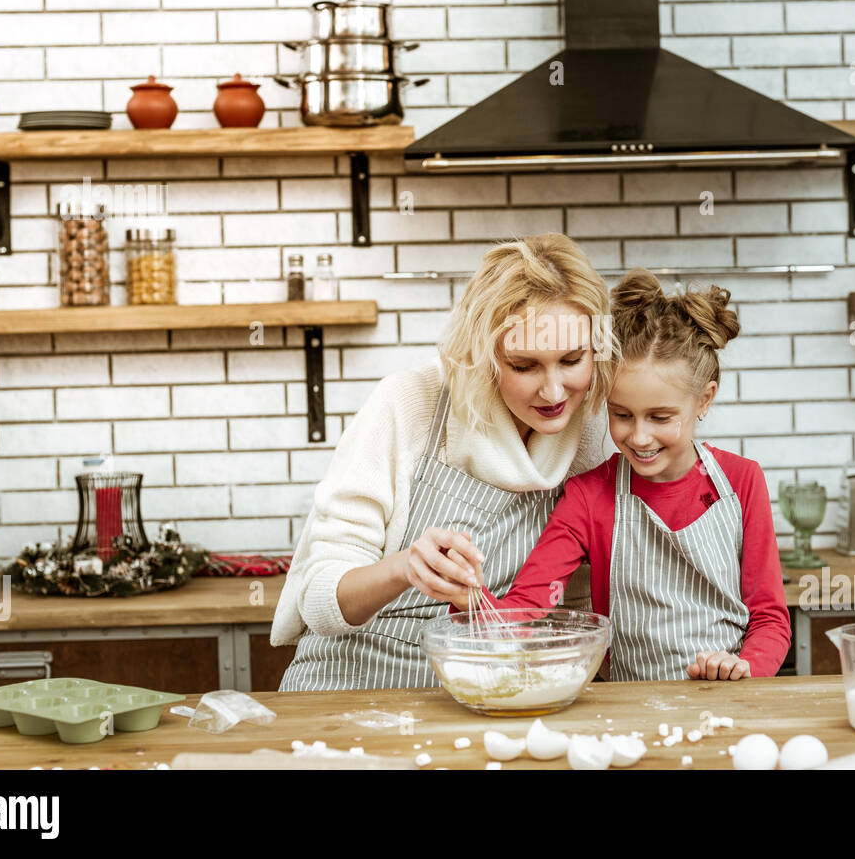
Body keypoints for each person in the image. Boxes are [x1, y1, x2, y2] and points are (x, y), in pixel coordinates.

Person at [271, 233, 617, 690]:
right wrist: (403, 568)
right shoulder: (413, 402)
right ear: (485, 354)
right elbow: (319, 600)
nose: (553, 392)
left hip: (489, 684)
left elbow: (580, 600)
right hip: (355, 676)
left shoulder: (591, 430)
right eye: (524, 366)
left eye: (571, 360)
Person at [447, 269, 791, 680]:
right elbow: (523, 616)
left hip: (730, 700)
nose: (640, 436)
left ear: (704, 400)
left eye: (661, 417)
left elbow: (770, 618)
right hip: (630, 712)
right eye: (621, 415)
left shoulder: (741, 481)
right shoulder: (589, 496)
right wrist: (470, 597)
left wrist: (744, 667)